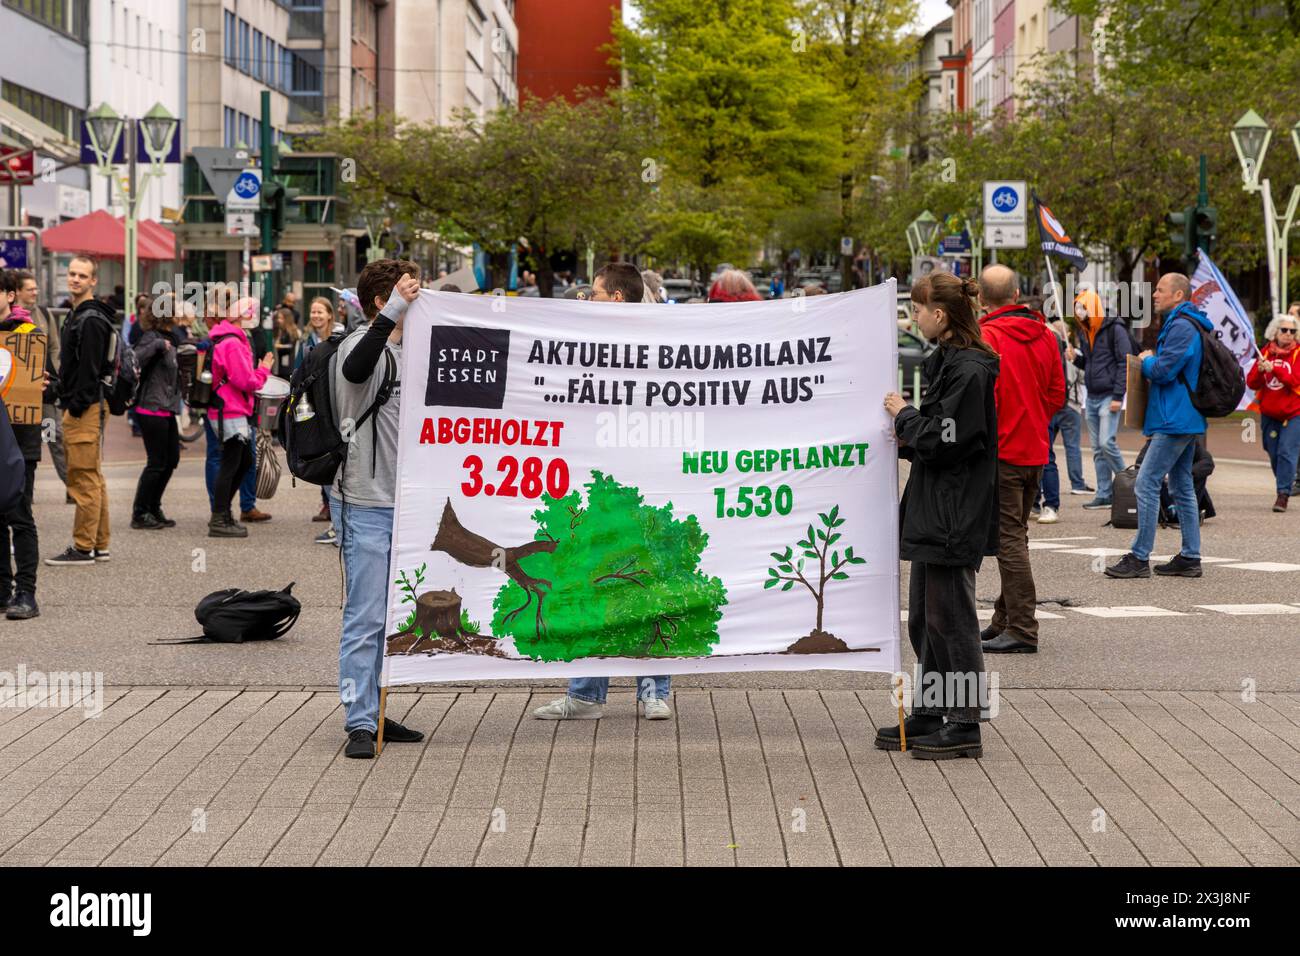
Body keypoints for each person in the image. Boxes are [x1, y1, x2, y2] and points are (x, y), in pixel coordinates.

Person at [533, 262, 673, 721]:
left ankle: (653, 689)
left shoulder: (660, 336)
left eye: (593, 293)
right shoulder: (587, 336)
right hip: (599, 479)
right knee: (591, 578)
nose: (586, 298)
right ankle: (586, 692)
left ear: (616, 298)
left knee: (647, 581)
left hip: (646, 477)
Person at [879, 273, 999, 759]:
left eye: (919, 310)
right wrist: (910, 438)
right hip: (937, 506)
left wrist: (906, 417)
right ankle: (933, 708)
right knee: (927, 617)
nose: (915, 318)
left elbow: (950, 438)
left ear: (941, 316)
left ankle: (965, 721)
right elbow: (942, 438)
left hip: (953, 510)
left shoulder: (969, 370)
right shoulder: (950, 363)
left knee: (953, 619)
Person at [330, 259, 424, 758]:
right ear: (379, 303)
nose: (418, 301)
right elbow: (354, 370)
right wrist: (393, 312)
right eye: (407, 294)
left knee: (392, 617)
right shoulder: (357, 345)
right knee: (364, 616)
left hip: (408, 507)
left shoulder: (416, 351)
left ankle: (376, 707)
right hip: (365, 503)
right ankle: (359, 722)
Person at [976, 265, 1065, 654]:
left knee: (1009, 540)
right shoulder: (1045, 334)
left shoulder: (986, 337)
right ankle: (1004, 618)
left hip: (1004, 453)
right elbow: (1056, 393)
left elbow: (985, 400)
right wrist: (1035, 420)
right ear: (1016, 295)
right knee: (1016, 534)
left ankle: (1024, 628)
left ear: (981, 299)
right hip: (1035, 451)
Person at [1105, 273, 1210, 579]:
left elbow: (1164, 371)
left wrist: (1146, 360)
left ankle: (1139, 557)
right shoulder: (1187, 323)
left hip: (1174, 418)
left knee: (1146, 482)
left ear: (1179, 295)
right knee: (1181, 486)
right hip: (1183, 416)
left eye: (1161, 290)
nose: (1155, 295)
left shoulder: (1180, 326)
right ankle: (1190, 556)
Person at [46, 256, 114, 567]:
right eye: (72, 274)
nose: (74, 279)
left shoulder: (90, 320)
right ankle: (98, 544)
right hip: (86, 403)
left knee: (83, 478)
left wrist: (74, 405)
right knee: (93, 477)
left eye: (82, 275)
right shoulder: (80, 316)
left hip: (85, 407)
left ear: (92, 281)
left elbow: (88, 370)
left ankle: (83, 547)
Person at [0, 270, 56, 618]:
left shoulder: (28, 335)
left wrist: (45, 382)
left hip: (19, 440)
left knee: (19, 515)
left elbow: (51, 382)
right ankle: (3, 588)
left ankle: (27, 593)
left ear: (9, 296)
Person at [204, 285, 273, 538]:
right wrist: (264, 369)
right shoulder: (232, 342)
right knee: (232, 463)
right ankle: (219, 517)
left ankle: (222, 513)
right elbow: (246, 381)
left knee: (241, 461)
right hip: (229, 410)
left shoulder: (227, 338)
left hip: (229, 409)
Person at [1073, 288, 1134, 510]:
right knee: (1097, 448)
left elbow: (1123, 361)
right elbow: (1090, 364)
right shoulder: (1085, 331)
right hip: (1093, 396)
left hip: (1109, 395)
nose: (1079, 312)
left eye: (1082, 307)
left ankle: (1129, 484)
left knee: (1106, 443)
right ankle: (1104, 493)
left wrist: (1119, 395)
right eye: (1077, 308)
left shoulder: (1114, 329)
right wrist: (1075, 359)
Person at [130, 298, 182, 530]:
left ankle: (153, 506)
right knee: (157, 462)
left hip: (167, 407)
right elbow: (135, 358)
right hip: (150, 407)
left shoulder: (175, 337)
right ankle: (140, 513)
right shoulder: (151, 337)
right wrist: (157, 346)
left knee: (171, 460)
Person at [14, 270, 66, 488]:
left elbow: (54, 346)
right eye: (30, 289)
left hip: (43, 390)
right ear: (16, 292)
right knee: (21, 443)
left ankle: (72, 487)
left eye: (36, 288)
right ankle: (22, 491)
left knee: (54, 436)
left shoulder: (44, 314)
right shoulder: (9, 319)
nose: (35, 292)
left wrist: (53, 373)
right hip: (18, 393)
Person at [1037, 317, 1092, 522]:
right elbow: (1082, 378)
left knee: (1046, 452)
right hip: (1070, 405)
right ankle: (1076, 483)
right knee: (1070, 448)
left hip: (1056, 405)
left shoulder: (1052, 350)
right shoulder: (1071, 353)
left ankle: (1039, 501)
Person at [1246, 314, 1300, 512]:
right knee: (1273, 451)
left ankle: (1283, 494)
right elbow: (1251, 383)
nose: (1288, 334)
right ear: (1275, 332)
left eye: (1292, 331)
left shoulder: (1298, 353)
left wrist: (1275, 370)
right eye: (1284, 330)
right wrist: (1261, 370)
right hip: (1269, 413)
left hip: (1294, 412)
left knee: (1287, 451)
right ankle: (1285, 480)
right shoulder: (1265, 352)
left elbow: (1295, 379)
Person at [271, 306, 300, 380]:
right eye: (278, 318)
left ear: (287, 319)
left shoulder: (291, 331)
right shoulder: (280, 330)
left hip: (287, 368)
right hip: (280, 367)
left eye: (281, 318)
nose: (278, 320)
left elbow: (289, 347)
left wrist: (278, 346)